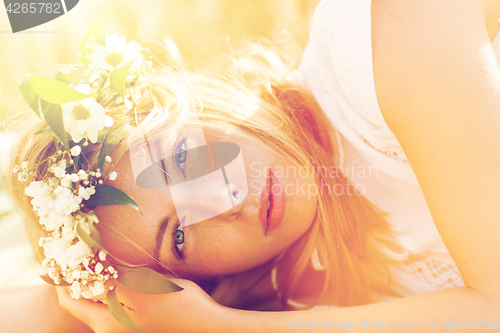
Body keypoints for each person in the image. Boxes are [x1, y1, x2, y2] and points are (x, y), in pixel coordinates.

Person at [3, 0, 500, 332]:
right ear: (200, 281)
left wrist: (221, 327)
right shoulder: (303, 290)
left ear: (198, 99)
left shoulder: (386, 38)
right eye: (178, 236)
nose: (225, 201)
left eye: (179, 157)